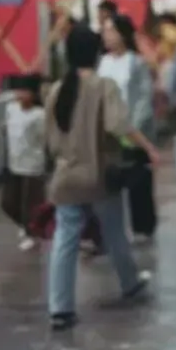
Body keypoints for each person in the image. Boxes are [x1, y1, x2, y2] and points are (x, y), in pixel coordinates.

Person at [45, 24, 158, 331]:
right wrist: (147, 147)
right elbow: (119, 125)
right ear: (95, 54)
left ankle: (60, 308)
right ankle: (130, 283)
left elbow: (51, 141)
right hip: (99, 176)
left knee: (65, 240)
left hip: (65, 177)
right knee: (114, 230)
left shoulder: (56, 90)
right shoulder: (103, 86)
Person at [98, 13, 158, 242]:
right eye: (105, 31)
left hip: (132, 129)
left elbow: (144, 97)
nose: (107, 36)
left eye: (111, 31)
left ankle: (142, 226)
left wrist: (134, 127)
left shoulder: (136, 62)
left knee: (138, 180)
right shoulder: (103, 62)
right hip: (108, 131)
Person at [0, 74, 47, 251]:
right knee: (8, 203)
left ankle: (31, 233)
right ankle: (28, 226)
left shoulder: (40, 115)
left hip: (33, 165)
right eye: (18, 91)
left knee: (30, 204)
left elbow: (44, 139)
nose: (20, 95)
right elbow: (6, 128)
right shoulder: (11, 109)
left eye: (25, 91)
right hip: (13, 163)